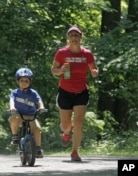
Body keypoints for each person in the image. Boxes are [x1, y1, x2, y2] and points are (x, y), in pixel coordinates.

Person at [51, 25, 98, 161]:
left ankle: (75, 152)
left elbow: (94, 69)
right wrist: (60, 71)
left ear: (81, 38)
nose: (74, 38)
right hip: (65, 91)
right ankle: (66, 132)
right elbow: (53, 69)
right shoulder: (62, 53)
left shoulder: (87, 54)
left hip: (81, 92)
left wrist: (95, 73)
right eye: (71, 35)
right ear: (68, 38)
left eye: (77, 35)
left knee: (78, 122)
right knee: (66, 125)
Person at [9, 67, 45, 158]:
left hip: (31, 115)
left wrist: (41, 107)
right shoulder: (15, 92)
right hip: (19, 114)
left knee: (37, 129)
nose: (24, 83)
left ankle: (38, 149)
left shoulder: (33, 93)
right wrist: (12, 107)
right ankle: (15, 136)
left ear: (30, 82)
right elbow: (11, 100)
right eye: (22, 81)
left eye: (26, 81)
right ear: (17, 81)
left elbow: (39, 100)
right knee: (14, 118)